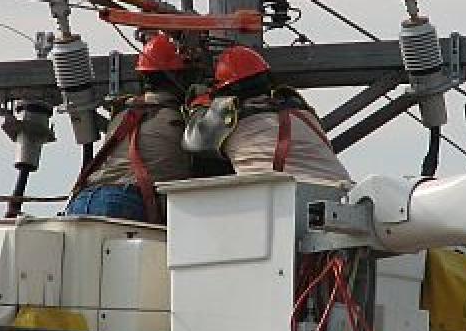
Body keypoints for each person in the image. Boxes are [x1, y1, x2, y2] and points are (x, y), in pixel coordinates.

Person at [65, 33, 191, 222]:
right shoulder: (180, 120)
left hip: (82, 201)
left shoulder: (121, 115)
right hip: (126, 202)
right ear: (179, 76)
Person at [184, 45, 352, 186]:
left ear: (227, 91)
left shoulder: (234, 120)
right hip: (344, 194)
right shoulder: (304, 112)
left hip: (288, 202)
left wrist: (199, 107)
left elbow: (194, 141)